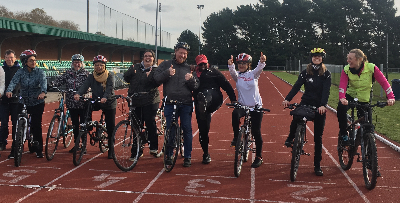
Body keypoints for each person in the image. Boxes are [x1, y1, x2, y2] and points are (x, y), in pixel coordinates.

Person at [282, 48, 331, 176]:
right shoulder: (305, 73)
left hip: (319, 106)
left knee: (318, 137)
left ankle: (317, 166)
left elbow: (326, 91)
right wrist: (287, 99)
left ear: (322, 58)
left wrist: (322, 105)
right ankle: (291, 137)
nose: (316, 58)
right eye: (314, 56)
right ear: (311, 58)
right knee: (296, 116)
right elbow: (296, 86)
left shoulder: (326, 74)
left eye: (319, 56)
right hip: (306, 102)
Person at [153, 42, 199, 167]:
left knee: (187, 129)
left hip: (186, 103)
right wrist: (167, 73)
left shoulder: (189, 68)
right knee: (170, 130)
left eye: (185, 53)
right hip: (170, 103)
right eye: (180, 52)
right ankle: (169, 154)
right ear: (176, 52)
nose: (182, 55)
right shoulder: (166, 64)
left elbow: (196, 86)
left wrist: (191, 80)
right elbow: (156, 79)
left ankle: (188, 156)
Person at [337, 49, 395, 145]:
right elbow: (342, 86)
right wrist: (342, 98)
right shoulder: (346, 70)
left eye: (351, 59)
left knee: (367, 125)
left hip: (364, 98)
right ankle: (344, 134)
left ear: (359, 59)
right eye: (348, 58)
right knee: (341, 109)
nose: (348, 61)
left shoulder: (371, 68)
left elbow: (384, 83)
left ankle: (369, 146)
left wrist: (391, 97)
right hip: (350, 96)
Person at [193, 54, 236, 164]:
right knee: (203, 130)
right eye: (200, 64)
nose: (203, 66)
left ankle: (205, 100)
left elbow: (226, 85)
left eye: (204, 63)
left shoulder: (214, 72)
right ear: (197, 65)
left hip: (215, 99)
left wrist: (233, 99)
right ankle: (206, 153)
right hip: (200, 106)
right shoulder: (194, 74)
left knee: (207, 93)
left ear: (208, 62)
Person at [228, 52, 267, 168]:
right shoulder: (238, 76)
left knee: (256, 131)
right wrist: (230, 65)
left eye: (244, 63)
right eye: (239, 63)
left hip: (255, 107)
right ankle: (236, 137)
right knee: (235, 114)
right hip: (243, 106)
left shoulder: (253, 74)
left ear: (248, 64)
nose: (241, 65)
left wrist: (262, 61)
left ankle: (259, 157)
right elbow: (232, 72)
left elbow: (259, 68)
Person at [6, 49, 47, 158]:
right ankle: (15, 149)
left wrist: (43, 92)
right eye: (30, 61)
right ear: (25, 62)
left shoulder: (40, 72)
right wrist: (9, 90)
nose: (33, 62)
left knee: (36, 125)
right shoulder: (20, 72)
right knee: (18, 125)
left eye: (34, 60)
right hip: (23, 100)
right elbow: (14, 82)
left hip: (37, 101)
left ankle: (38, 149)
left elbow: (43, 83)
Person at [74, 55, 116, 159]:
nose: (99, 67)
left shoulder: (109, 75)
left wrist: (105, 97)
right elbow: (85, 86)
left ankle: (111, 149)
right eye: (96, 65)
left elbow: (110, 88)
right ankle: (89, 125)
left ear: (104, 66)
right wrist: (78, 94)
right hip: (96, 100)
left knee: (111, 127)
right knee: (87, 105)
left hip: (108, 102)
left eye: (101, 65)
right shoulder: (91, 76)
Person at [123, 50, 162, 159]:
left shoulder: (156, 70)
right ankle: (136, 151)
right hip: (136, 100)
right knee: (135, 126)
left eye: (150, 56)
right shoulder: (135, 67)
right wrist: (130, 71)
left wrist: (150, 76)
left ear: (153, 58)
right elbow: (126, 78)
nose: (147, 58)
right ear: (142, 58)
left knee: (150, 122)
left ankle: (153, 147)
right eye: (145, 56)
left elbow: (156, 82)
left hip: (151, 100)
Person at [52, 54, 89, 152]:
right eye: (75, 62)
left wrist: (83, 92)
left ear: (82, 63)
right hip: (71, 103)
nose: (77, 64)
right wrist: (52, 84)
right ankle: (76, 144)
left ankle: (83, 145)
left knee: (83, 125)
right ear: (72, 63)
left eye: (78, 62)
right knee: (75, 125)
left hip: (83, 103)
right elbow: (59, 80)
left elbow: (89, 86)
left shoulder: (86, 74)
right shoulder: (68, 73)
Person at [0, 50, 21, 152]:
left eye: (11, 57)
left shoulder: (19, 70)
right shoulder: (1, 69)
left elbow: (20, 84)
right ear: (4, 59)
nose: (9, 59)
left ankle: (15, 144)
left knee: (15, 123)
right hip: (3, 101)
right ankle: (2, 142)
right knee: (4, 123)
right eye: (7, 57)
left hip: (15, 101)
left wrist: (14, 92)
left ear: (15, 58)